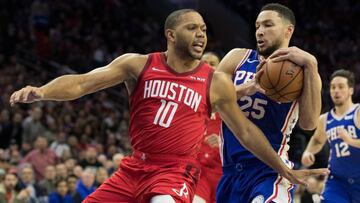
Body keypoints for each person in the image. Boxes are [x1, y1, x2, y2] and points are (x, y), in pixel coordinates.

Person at [10, 9, 327, 203]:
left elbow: (245, 130)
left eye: (204, 30)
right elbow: (81, 82)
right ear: (171, 34)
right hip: (135, 166)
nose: (201, 35)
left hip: (177, 171)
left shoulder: (212, 80)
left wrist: (283, 167)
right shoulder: (138, 64)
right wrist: (41, 92)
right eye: (194, 28)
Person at [216, 3, 322, 202]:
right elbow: (207, 100)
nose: (260, 32)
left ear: (288, 30)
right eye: (257, 26)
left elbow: (309, 124)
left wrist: (311, 64)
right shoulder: (237, 57)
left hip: (270, 172)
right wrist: (247, 88)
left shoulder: (304, 72)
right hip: (230, 171)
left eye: (268, 25)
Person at [302, 69, 360, 203]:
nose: (336, 91)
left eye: (341, 87)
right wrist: (308, 152)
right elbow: (317, 140)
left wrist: (350, 141)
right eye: (333, 87)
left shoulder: (358, 112)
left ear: (351, 90)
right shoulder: (325, 119)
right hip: (337, 182)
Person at [193, 52, 222, 203]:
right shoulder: (189, 95)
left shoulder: (230, 99)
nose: (208, 66)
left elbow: (244, 134)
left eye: (212, 63)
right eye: (204, 62)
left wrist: (222, 142)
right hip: (196, 169)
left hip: (222, 171)